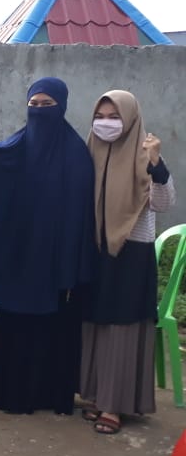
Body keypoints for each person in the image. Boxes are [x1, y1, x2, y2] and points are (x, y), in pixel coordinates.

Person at [0, 77, 94, 415]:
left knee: (51, 323)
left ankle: (46, 394)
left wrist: (69, 259)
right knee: (14, 319)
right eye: (33, 105)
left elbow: (80, 212)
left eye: (46, 105)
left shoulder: (76, 154)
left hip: (54, 258)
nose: (38, 111)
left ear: (61, 107)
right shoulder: (19, 144)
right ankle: (7, 391)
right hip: (18, 254)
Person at [80, 90, 175, 435]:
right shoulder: (90, 150)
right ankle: (95, 394)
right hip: (95, 248)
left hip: (131, 252)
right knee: (94, 322)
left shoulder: (145, 154)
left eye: (114, 117)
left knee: (122, 327)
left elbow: (164, 203)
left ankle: (115, 404)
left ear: (131, 119)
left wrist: (157, 165)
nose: (105, 123)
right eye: (100, 116)